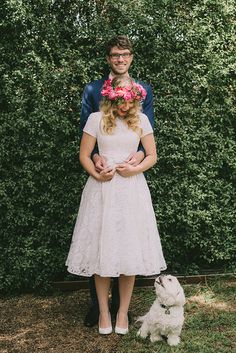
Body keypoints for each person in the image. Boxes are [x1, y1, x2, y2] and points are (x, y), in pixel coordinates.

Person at [66, 77, 167, 335]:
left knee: (129, 249)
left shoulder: (142, 120)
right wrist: (97, 174)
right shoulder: (95, 119)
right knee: (102, 250)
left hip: (132, 190)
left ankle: (122, 312)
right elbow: (84, 155)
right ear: (111, 97)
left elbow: (152, 155)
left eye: (130, 100)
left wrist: (134, 168)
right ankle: (103, 312)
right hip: (102, 189)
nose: (125, 105)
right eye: (121, 100)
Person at [79, 35, 155, 328]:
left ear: (131, 57)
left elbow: (146, 138)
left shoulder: (143, 89)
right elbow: (89, 132)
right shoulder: (93, 90)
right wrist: (97, 159)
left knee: (127, 241)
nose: (120, 59)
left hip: (129, 176)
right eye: (115, 55)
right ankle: (100, 309)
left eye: (125, 54)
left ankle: (122, 310)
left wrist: (136, 159)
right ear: (108, 58)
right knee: (100, 240)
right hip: (104, 173)